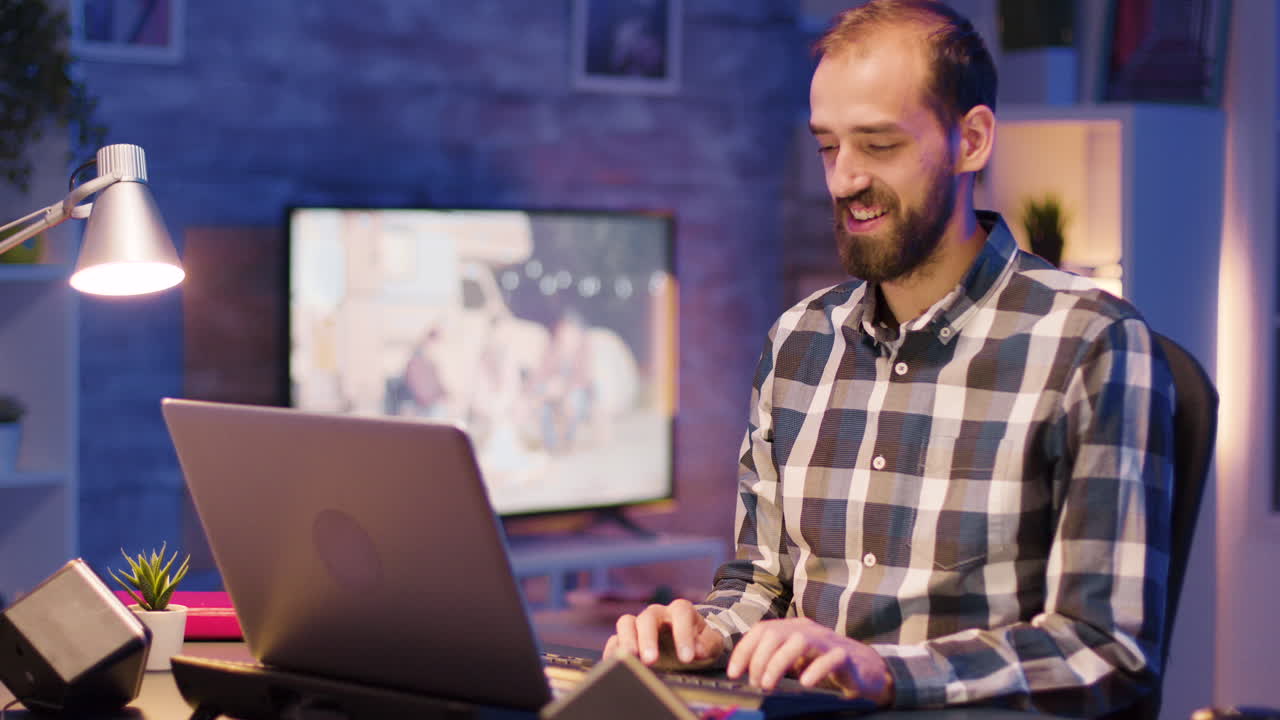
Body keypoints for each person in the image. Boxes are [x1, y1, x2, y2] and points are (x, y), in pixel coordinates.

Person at [605, 1, 1175, 716]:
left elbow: (1106, 649)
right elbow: (759, 583)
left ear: (970, 140)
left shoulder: (1091, 342)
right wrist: (702, 634)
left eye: (877, 145)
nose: (843, 180)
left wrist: (885, 672)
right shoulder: (800, 340)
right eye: (827, 147)